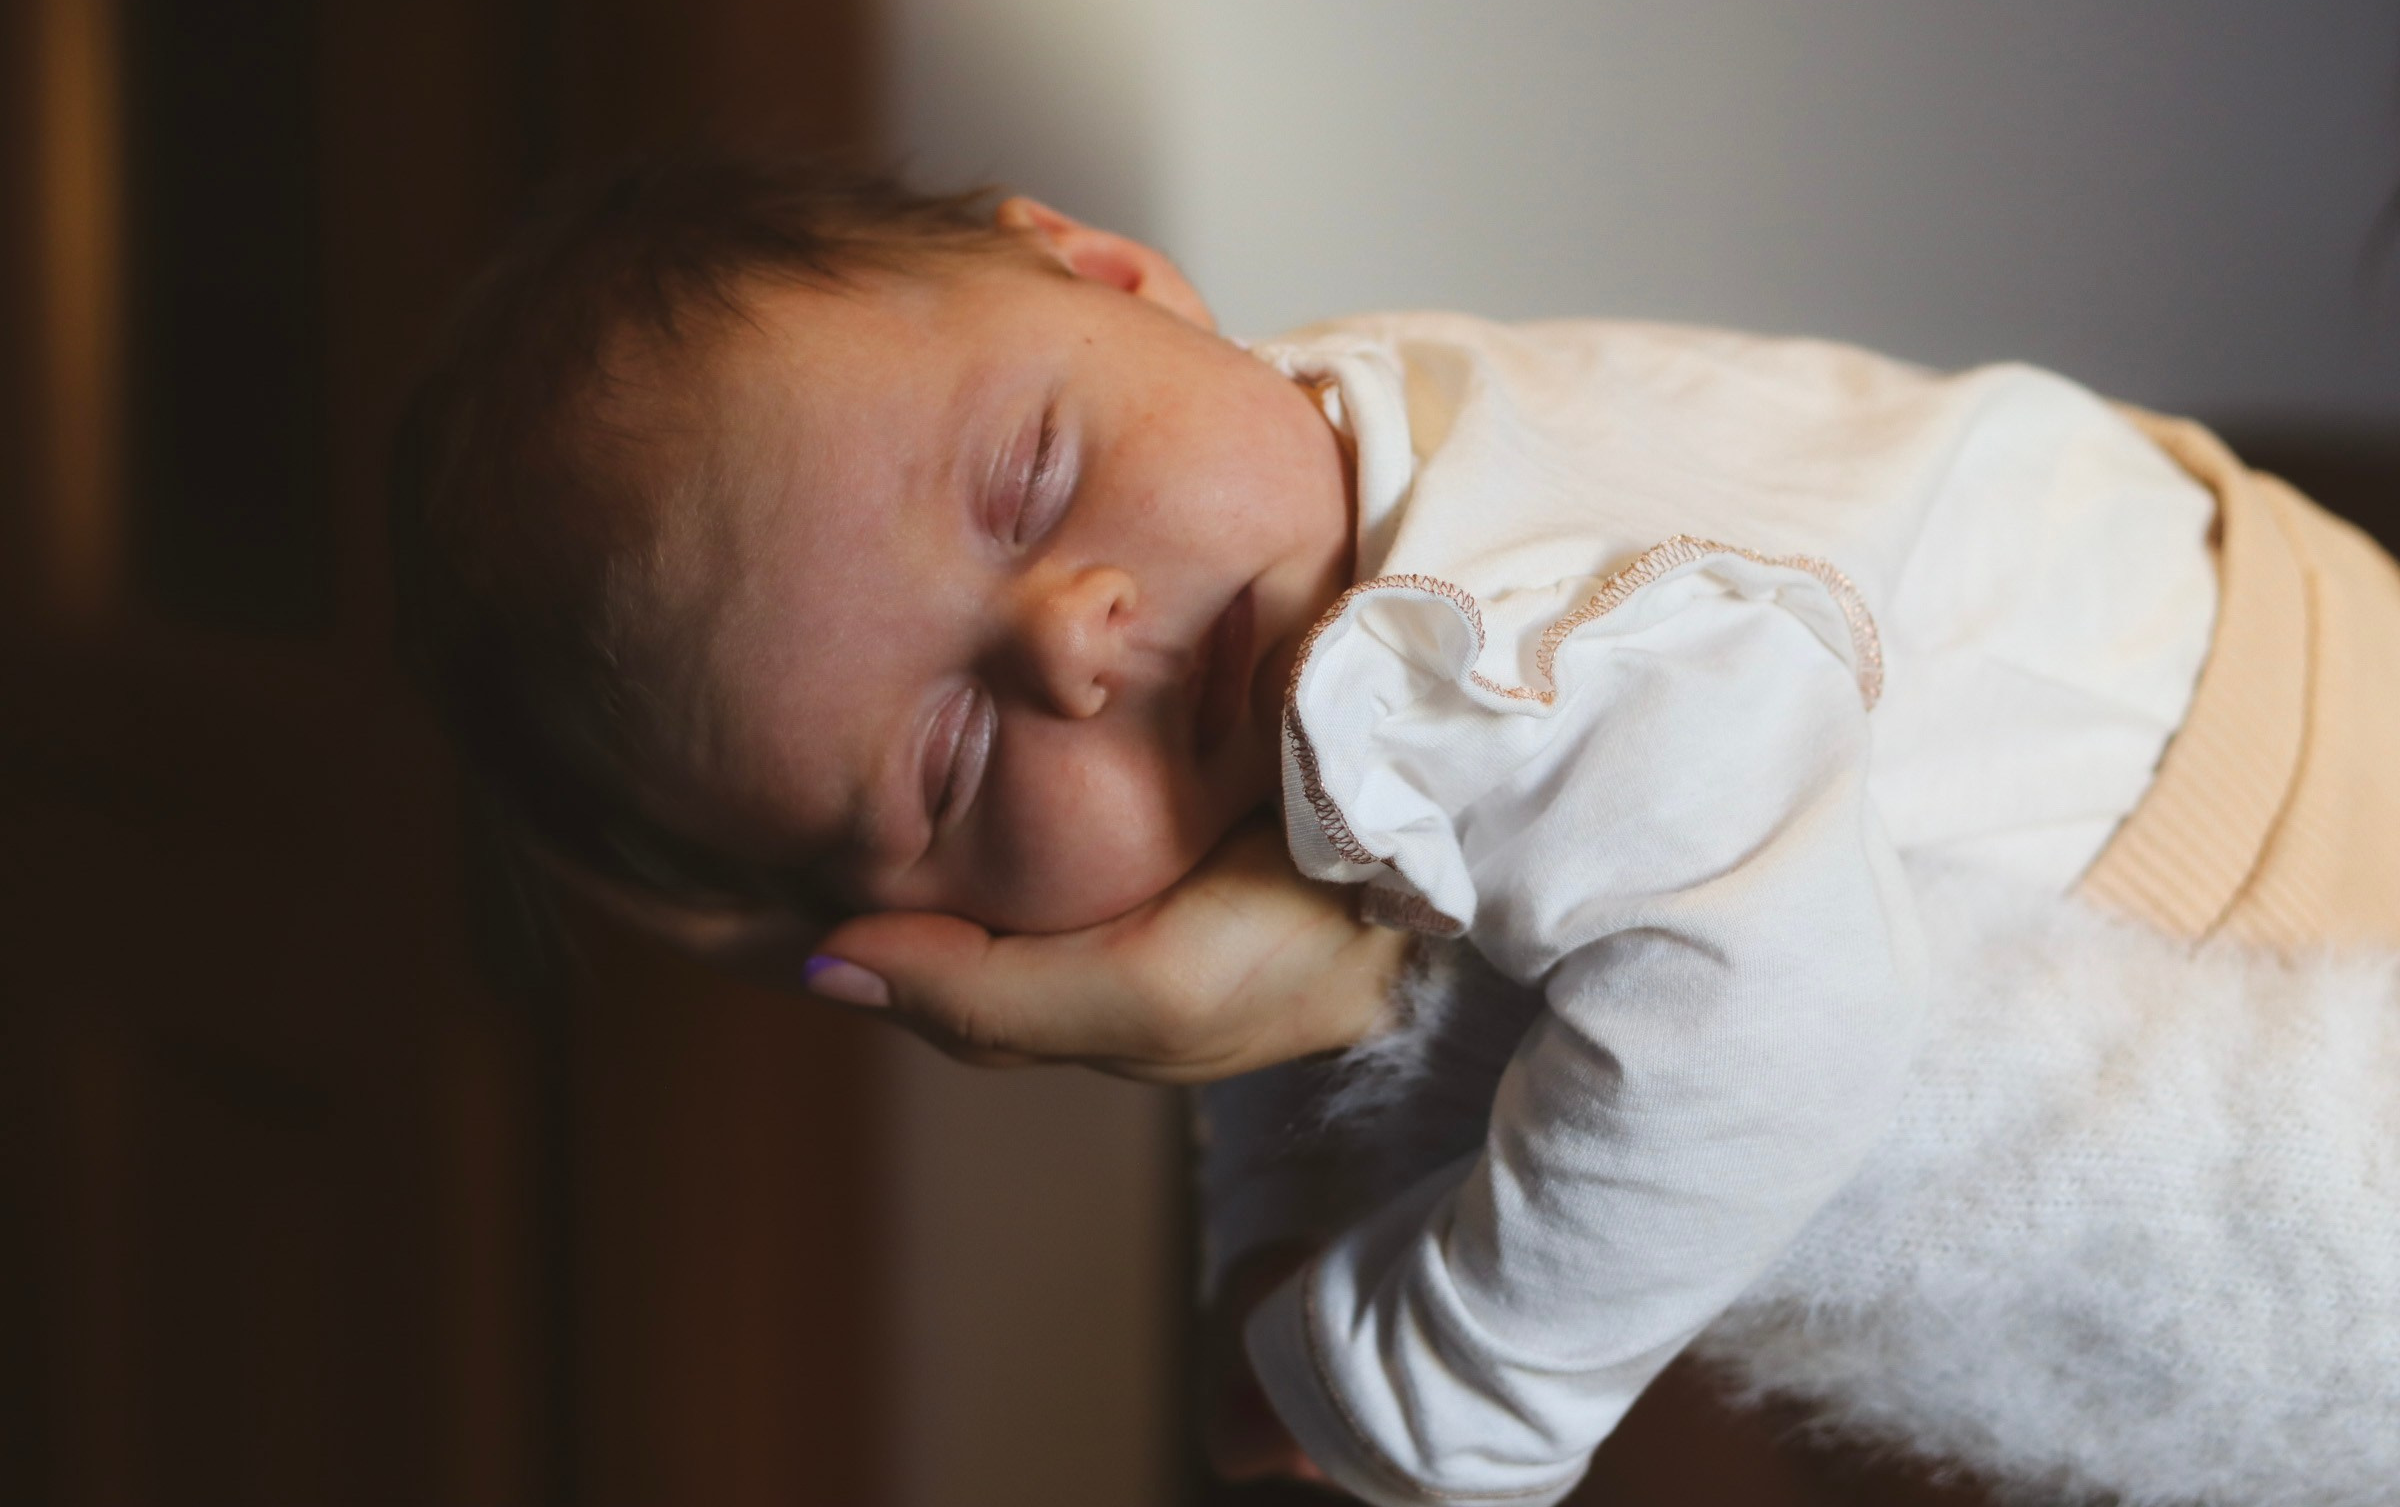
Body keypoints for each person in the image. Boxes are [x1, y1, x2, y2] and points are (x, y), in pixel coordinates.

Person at [392, 155, 2400, 1507]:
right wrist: (1278, 1236)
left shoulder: (1458, 647)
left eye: (1029, 478)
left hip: (2290, 860)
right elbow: (1333, 937)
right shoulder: (1318, 426)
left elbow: (1778, 1025)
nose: (1073, 634)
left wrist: (1437, 1395)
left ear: (1111, 275)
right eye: (947, 759)